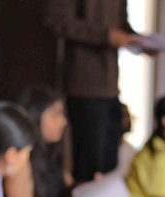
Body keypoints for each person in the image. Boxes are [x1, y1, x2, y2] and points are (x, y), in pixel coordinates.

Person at [4, 86, 119, 197]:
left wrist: (94, 187)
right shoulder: (21, 158)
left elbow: (67, 188)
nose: (63, 121)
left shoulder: (50, 151)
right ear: (35, 116)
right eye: (55, 114)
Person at [44, 0, 154, 183]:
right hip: (84, 86)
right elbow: (56, 20)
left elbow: (122, 26)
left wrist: (141, 42)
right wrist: (105, 36)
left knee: (109, 163)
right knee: (88, 166)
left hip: (111, 88)